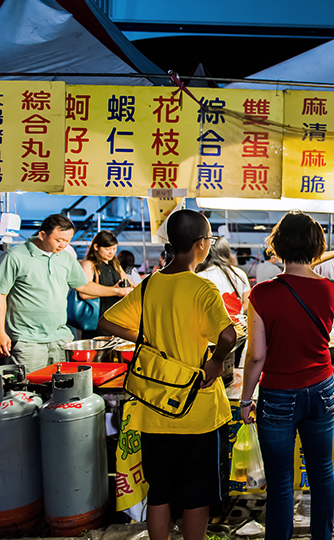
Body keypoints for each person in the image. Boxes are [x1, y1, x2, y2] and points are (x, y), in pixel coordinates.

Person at [98, 209, 236, 540]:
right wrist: (215, 363)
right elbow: (228, 336)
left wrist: (143, 338)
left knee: (159, 493)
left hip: (153, 408)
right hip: (197, 411)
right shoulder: (202, 289)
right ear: (202, 244)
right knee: (196, 496)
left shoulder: (149, 286)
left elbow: (105, 323)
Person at [240, 212, 334, 540]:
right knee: (322, 474)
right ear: (317, 246)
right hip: (322, 390)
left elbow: (256, 356)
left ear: (278, 246)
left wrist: (245, 399)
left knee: (281, 482)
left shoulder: (261, 294)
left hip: (278, 394)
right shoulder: (332, 290)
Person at [0, 214, 130, 372]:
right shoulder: (14, 257)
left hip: (60, 338)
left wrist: (117, 291)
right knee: (27, 390)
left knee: (63, 390)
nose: (63, 245)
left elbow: (84, 286)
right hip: (27, 340)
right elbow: (1, 294)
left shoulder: (65, 258)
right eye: (59, 240)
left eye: (67, 240)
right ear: (42, 235)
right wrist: (1, 332)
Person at [79, 231, 132, 339]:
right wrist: (114, 291)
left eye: (114, 249)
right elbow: (84, 294)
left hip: (117, 319)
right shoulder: (89, 265)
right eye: (107, 249)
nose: (111, 252)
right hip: (98, 320)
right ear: (96, 247)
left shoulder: (116, 264)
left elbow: (129, 284)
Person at [196, 237, 251, 318]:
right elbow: (247, 302)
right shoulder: (239, 274)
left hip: (211, 327)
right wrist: (237, 313)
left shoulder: (201, 277)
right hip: (238, 326)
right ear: (226, 252)